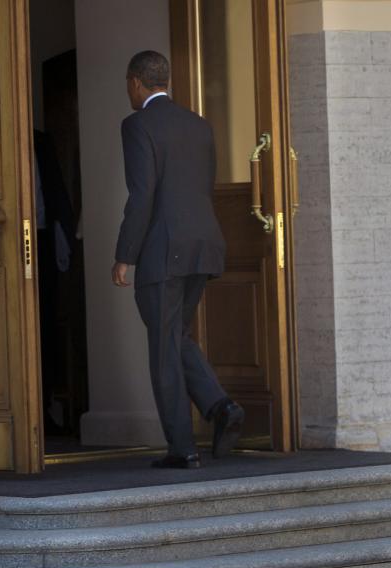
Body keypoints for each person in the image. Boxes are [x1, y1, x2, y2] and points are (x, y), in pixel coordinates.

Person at [112, 50, 243, 469]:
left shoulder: (137, 126)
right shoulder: (199, 125)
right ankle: (221, 407)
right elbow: (201, 187)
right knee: (176, 337)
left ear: (136, 83)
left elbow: (143, 195)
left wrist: (124, 255)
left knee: (164, 347)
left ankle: (182, 448)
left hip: (162, 253)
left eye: (127, 84)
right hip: (203, 247)